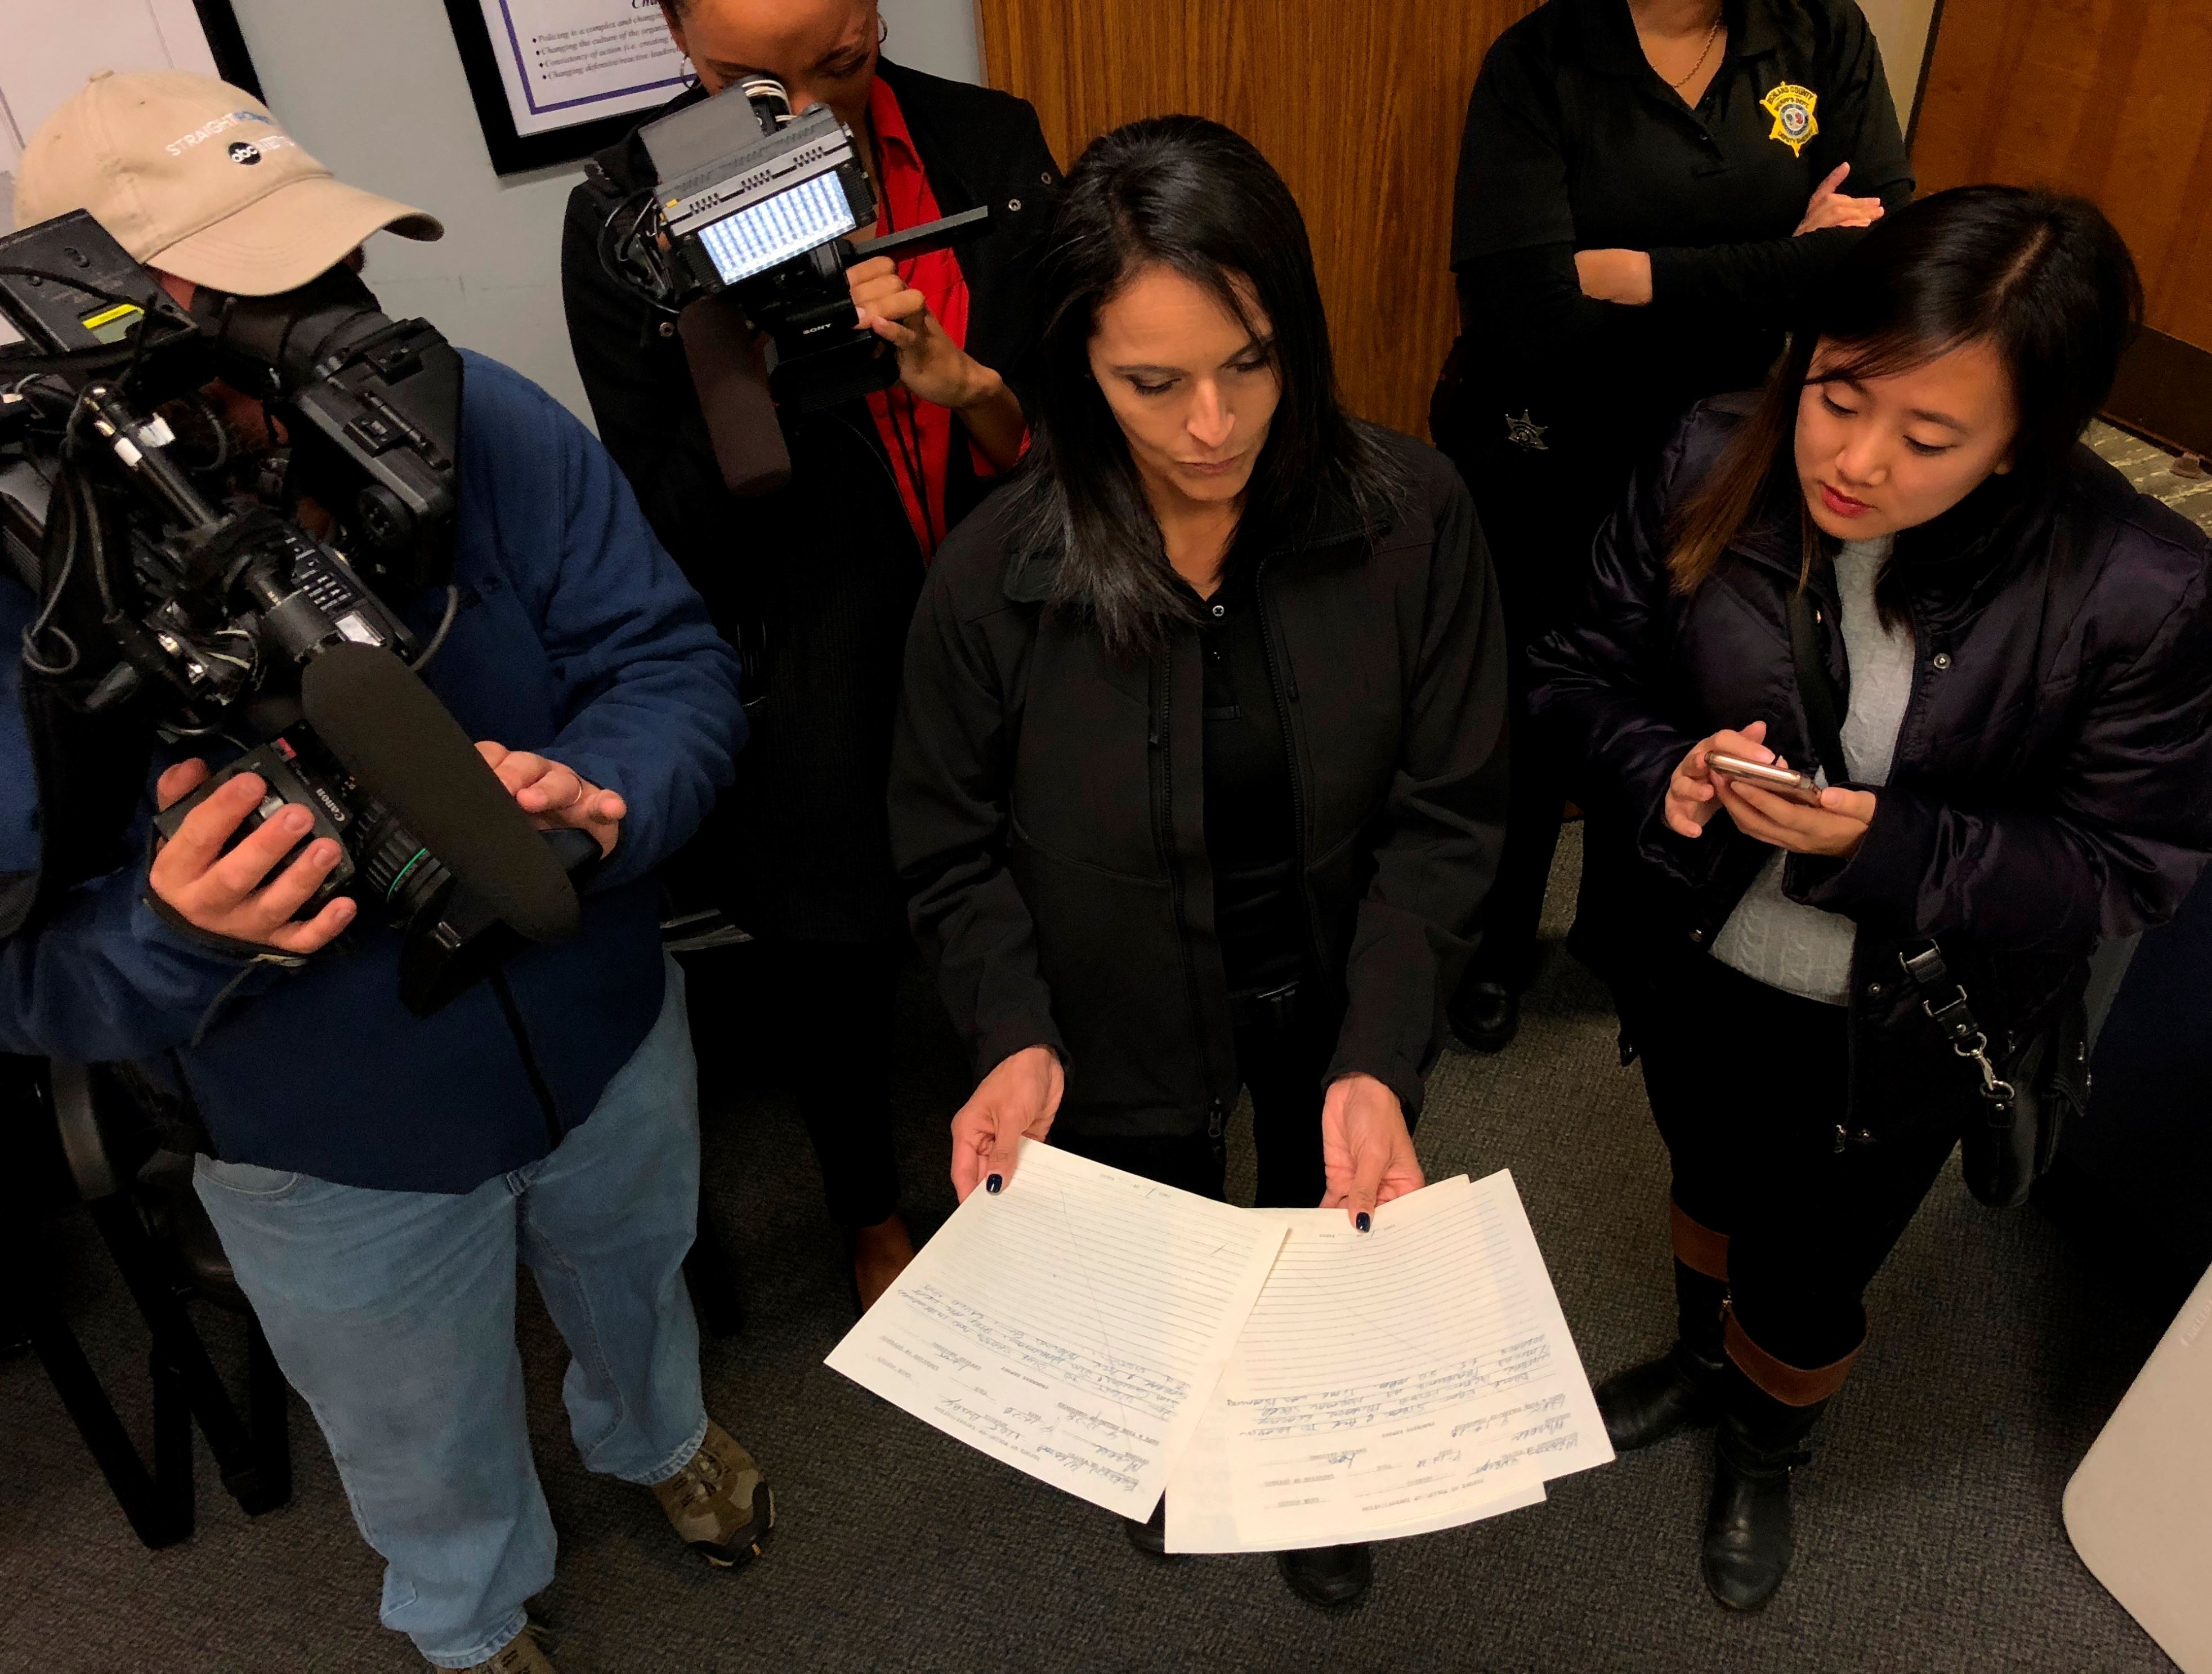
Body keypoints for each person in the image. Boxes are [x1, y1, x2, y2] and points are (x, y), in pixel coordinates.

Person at [5, 73, 762, 1674]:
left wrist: (606, 798)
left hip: (604, 1024)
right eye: (262, 303)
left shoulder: (477, 418)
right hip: (328, 1147)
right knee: (419, 1432)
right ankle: (471, 1615)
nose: (332, 337)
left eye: (334, 274)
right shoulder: (30, 603)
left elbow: (669, 662)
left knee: (638, 1290)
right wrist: (172, 931)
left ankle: (656, 1437)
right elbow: (23, 968)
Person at [1531, 186, 2212, 1610]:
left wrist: (1889, 842)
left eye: (1929, 438)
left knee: (1817, 1259)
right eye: (1840, 395)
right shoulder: (1709, 449)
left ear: (2023, 440)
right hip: (1703, 946)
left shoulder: (2141, 583)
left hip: (1907, 1015)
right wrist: (1660, 766)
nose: (1853, 462)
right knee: (1709, 1172)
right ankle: (1695, 1352)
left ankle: (1770, 1441)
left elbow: (2129, 861)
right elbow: (1570, 673)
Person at [888, 117, 1507, 1610]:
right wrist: (1013, 1029)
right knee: (1151, 1235)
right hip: (1108, 1002)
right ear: (1072, 374)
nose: (1211, 427)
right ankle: (1171, 1433)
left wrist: (1379, 1046)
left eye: (1249, 364)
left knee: (1322, 1208)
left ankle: (1303, 1457)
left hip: (1327, 960)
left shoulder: (1408, 516)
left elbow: (1449, 811)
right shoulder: (993, 571)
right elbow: (945, 840)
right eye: (1150, 384)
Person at [561, 0, 1061, 1309]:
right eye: (742, 80)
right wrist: (764, 356)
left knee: (1050, 889)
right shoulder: (623, 217)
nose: (802, 111)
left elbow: (1065, 409)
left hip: (1013, 610)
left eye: (833, 65)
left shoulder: (987, 143)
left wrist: (979, 395)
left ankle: (1068, 1153)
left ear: (875, 17)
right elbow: (662, 517)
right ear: (679, 46)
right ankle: (866, 1203)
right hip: (811, 638)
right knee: (832, 944)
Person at [1435, 0, 1912, 1053]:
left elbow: (1874, 255)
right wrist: (1778, 258)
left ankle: (1622, 930)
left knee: (1680, 685)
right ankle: (1492, 946)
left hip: (1733, 446)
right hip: (1552, 440)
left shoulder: (1818, 33)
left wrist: (1627, 269)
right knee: (1527, 696)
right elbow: (1526, 311)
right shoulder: (1537, 62)